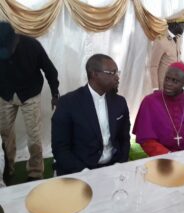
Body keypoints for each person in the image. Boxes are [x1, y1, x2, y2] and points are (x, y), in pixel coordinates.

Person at [52, 54, 130, 176]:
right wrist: (84, 172)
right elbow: (60, 148)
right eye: (112, 73)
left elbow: (124, 138)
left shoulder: (120, 102)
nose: (117, 77)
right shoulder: (68, 103)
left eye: (117, 72)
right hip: (80, 169)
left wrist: (119, 164)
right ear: (94, 74)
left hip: (113, 167)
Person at [0, 22, 60, 181]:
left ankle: (35, 172)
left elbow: (50, 71)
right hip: (5, 94)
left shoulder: (32, 46)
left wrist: (55, 93)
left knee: (34, 135)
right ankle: (7, 168)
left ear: (15, 40)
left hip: (30, 94)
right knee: (4, 133)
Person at [133, 62, 184, 156]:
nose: (168, 84)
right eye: (167, 79)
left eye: (175, 81)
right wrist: (169, 155)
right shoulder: (149, 101)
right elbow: (146, 138)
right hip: (161, 158)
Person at [149, 10, 184, 90]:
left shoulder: (178, 38)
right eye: (182, 24)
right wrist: (155, 88)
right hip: (164, 85)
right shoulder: (160, 40)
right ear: (174, 24)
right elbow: (153, 66)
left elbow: (174, 57)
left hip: (176, 83)